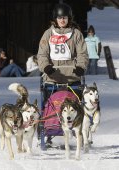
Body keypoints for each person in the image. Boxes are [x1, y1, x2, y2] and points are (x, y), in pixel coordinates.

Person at [37, 3, 88, 146]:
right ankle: (49, 127)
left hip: (72, 76)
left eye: (65, 17)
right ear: (55, 19)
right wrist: (46, 67)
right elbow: (42, 54)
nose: (62, 20)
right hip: (52, 76)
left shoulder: (76, 34)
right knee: (50, 104)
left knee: (76, 105)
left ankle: (79, 131)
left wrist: (80, 67)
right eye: (60, 18)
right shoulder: (48, 34)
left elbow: (83, 53)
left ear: (69, 18)